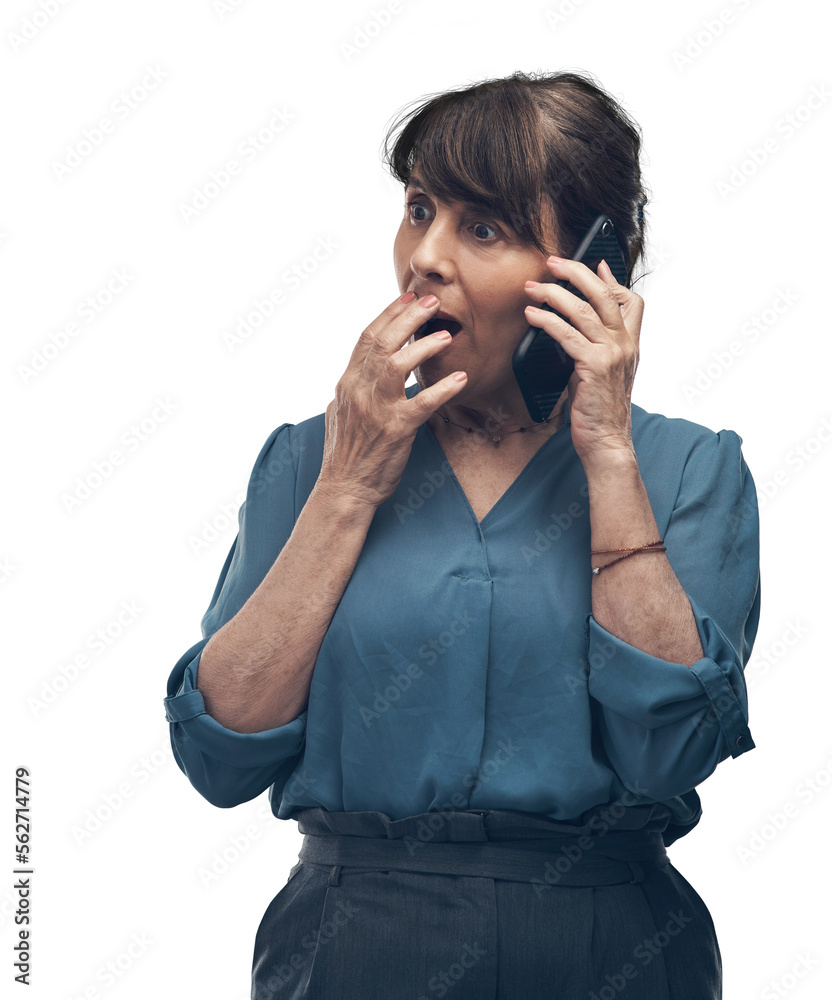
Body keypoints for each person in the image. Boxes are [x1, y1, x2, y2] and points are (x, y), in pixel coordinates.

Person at [164, 69, 760, 1000]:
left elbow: (672, 754)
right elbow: (219, 755)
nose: (425, 257)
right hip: (353, 947)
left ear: (592, 272)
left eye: (482, 228)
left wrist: (605, 451)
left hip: (614, 948)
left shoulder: (690, 471)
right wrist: (349, 484)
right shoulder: (305, 464)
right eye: (418, 210)